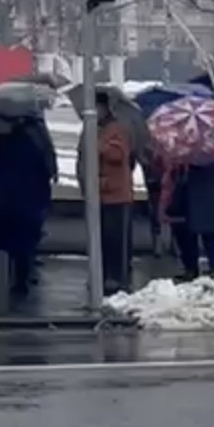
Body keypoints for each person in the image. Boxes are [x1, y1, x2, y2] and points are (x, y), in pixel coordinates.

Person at [0, 116, 56, 297]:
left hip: (8, 204)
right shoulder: (29, 142)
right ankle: (18, 280)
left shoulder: (8, 144)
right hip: (17, 205)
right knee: (18, 246)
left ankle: (13, 280)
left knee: (8, 245)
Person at [83, 90, 137, 293]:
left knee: (115, 240)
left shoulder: (116, 129)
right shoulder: (98, 129)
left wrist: (99, 147)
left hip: (116, 195)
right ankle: (104, 275)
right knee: (104, 239)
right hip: (102, 194)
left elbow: (119, 154)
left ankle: (116, 278)